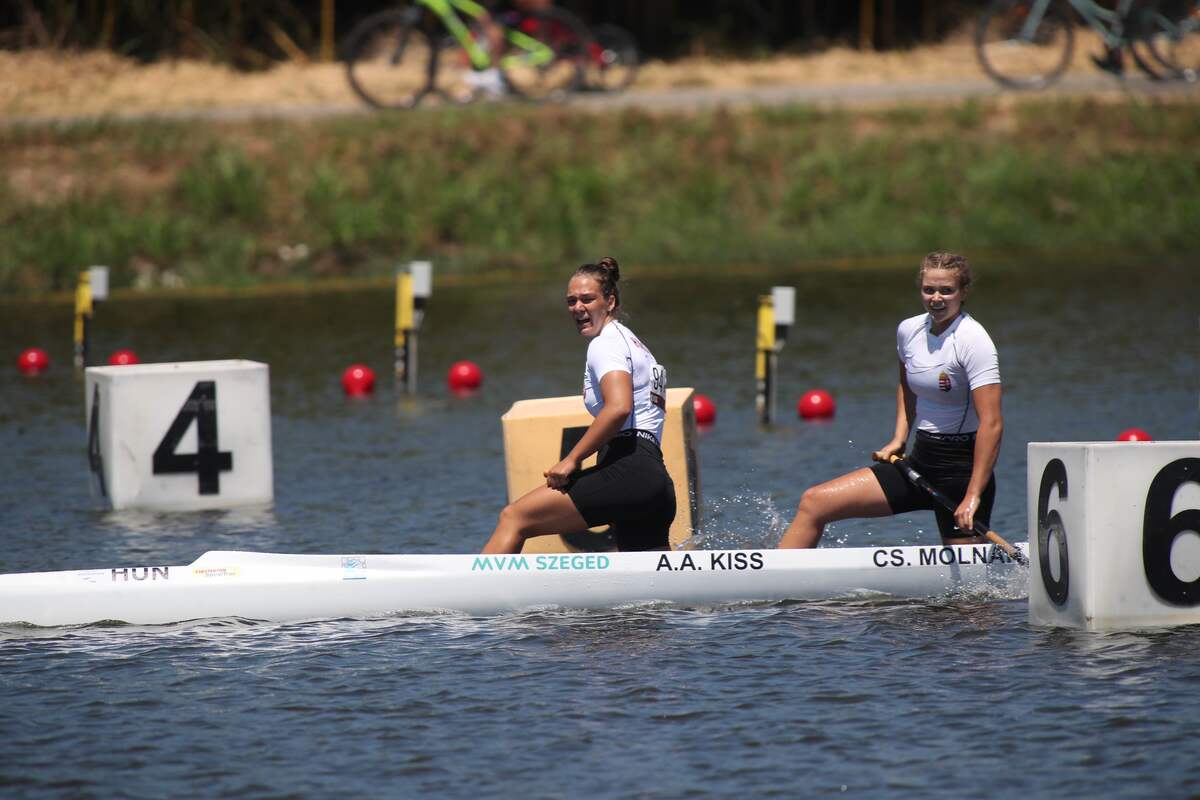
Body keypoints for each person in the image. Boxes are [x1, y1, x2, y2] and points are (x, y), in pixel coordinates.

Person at [778, 251, 1003, 549]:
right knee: (814, 503)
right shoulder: (909, 330)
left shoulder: (974, 341)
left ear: (963, 293)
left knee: (967, 593)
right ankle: (775, 587)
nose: (936, 298)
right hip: (920, 464)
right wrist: (899, 437)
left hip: (961, 475)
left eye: (946, 291)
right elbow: (906, 384)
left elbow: (992, 423)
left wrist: (973, 494)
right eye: (929, 289)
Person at [481, 257, 676, 554]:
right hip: (655, 482)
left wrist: (571, 460)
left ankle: (476, 596)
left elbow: (618, 407)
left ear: (610, 302)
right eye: (571, 301)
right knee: (651, 595)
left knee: (514, 518)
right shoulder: (634, 343)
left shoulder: (605, 344)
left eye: (587, 299)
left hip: (629, 470)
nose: (577, 308)